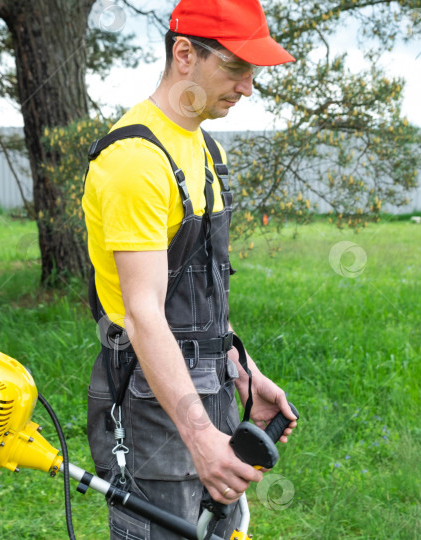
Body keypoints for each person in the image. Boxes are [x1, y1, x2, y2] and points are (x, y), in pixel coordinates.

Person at [83, 1, 297, 537]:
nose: (248, 86)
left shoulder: (204, 148)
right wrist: (199, 434)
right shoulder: (137, 160)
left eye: (254, 70)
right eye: (235, 66)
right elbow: (144, 315)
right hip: (152, 406)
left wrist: (240, 372)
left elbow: (194, 295)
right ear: (184, 54)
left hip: (210, 389)